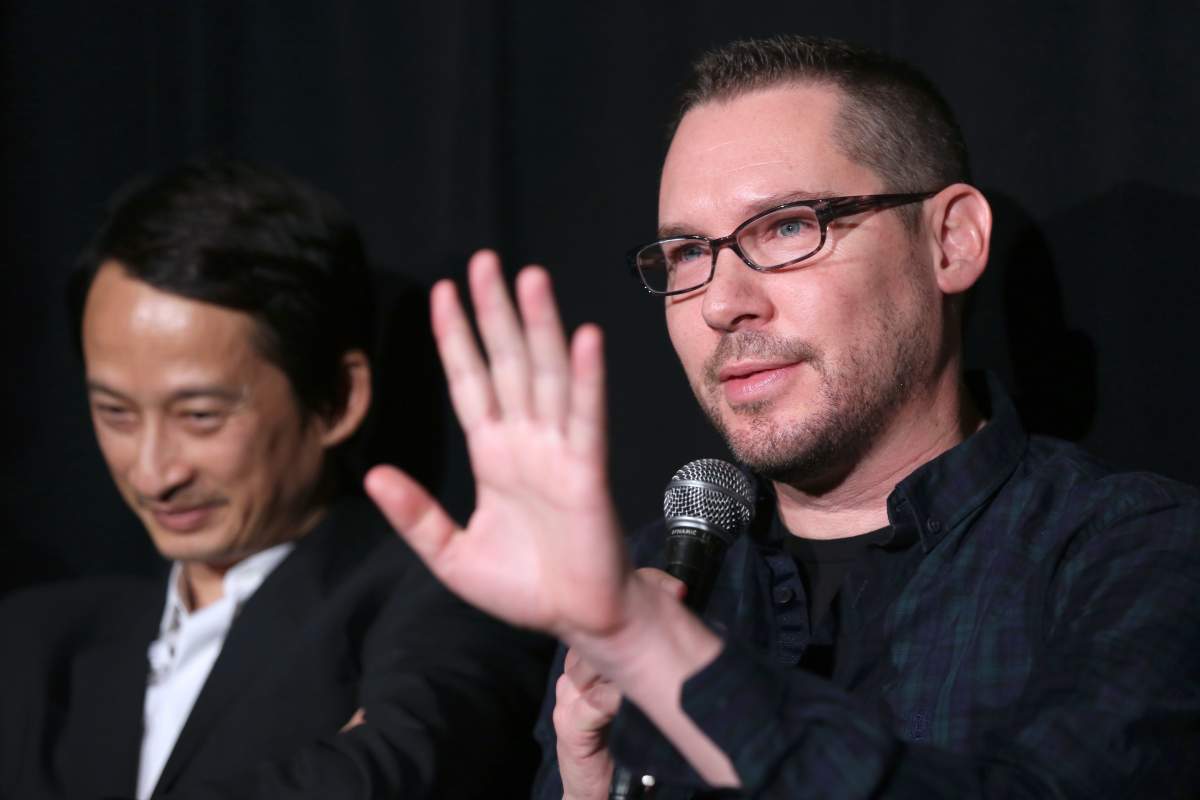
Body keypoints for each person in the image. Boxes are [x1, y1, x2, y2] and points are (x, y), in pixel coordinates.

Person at [364, 35, 1200, 799]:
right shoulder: (652, 574)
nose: (723, 302)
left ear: (950, 242)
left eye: (789, 227)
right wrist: (590, 783)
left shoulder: (1133, 551)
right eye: (689, 252)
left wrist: (668, 657)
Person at [0, 160, 550, 800]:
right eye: (115, 413)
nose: (153, 471)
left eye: (200, 416)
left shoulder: (445, 603)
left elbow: (402, 773)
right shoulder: (32, 644)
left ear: (338, 399)